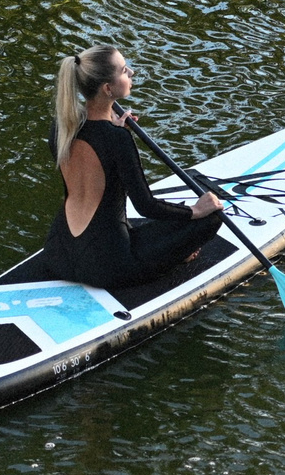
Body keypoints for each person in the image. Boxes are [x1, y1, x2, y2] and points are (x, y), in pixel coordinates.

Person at [36, 45, 224, 302]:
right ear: (107, 89)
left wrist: (111, 121)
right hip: (110, 268)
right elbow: (146, 206)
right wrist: (196, 210)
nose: (132, 73)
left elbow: (92, 134)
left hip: (59, 254)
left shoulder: (62, 128)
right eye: (125, 71)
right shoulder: (117, 139)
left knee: (147, 223)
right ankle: (178, 256)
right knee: (211, 219)